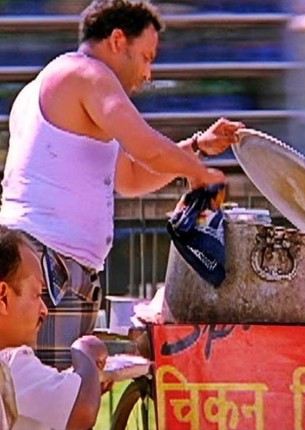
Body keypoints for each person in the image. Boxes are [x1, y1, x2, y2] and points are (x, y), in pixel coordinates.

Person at [0, 0, 244, 370]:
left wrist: (195, 147)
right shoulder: (86, 74)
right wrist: (199, 173)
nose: (148, 73)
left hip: (55, 265)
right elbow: (146, 147)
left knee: (56, 392)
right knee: (47, 397)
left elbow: (130, 176)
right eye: (146, 57)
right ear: (117, 40)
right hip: (46, 263)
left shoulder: (65, 86)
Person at [0, 226, 107, 430]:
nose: (44, 310)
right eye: (37, 294)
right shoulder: (11, 365)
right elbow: (83, 409)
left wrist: (86, 382)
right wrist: (85, 353)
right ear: (3, 297)